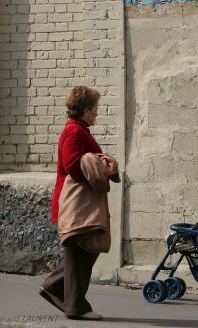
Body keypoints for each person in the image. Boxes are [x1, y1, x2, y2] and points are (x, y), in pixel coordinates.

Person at [40, 85, 119, 321]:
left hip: (81, 206)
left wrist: (103, 162)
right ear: (85, 110)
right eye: (95, 108)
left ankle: (55, 288)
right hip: (75, 205)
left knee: (82, 252)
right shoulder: (74, 132)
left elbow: (83, 162)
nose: (97, 113)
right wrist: (102, 163)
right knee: (80, 253)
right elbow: (74, 166)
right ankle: (75, 306)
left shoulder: (79, 130)